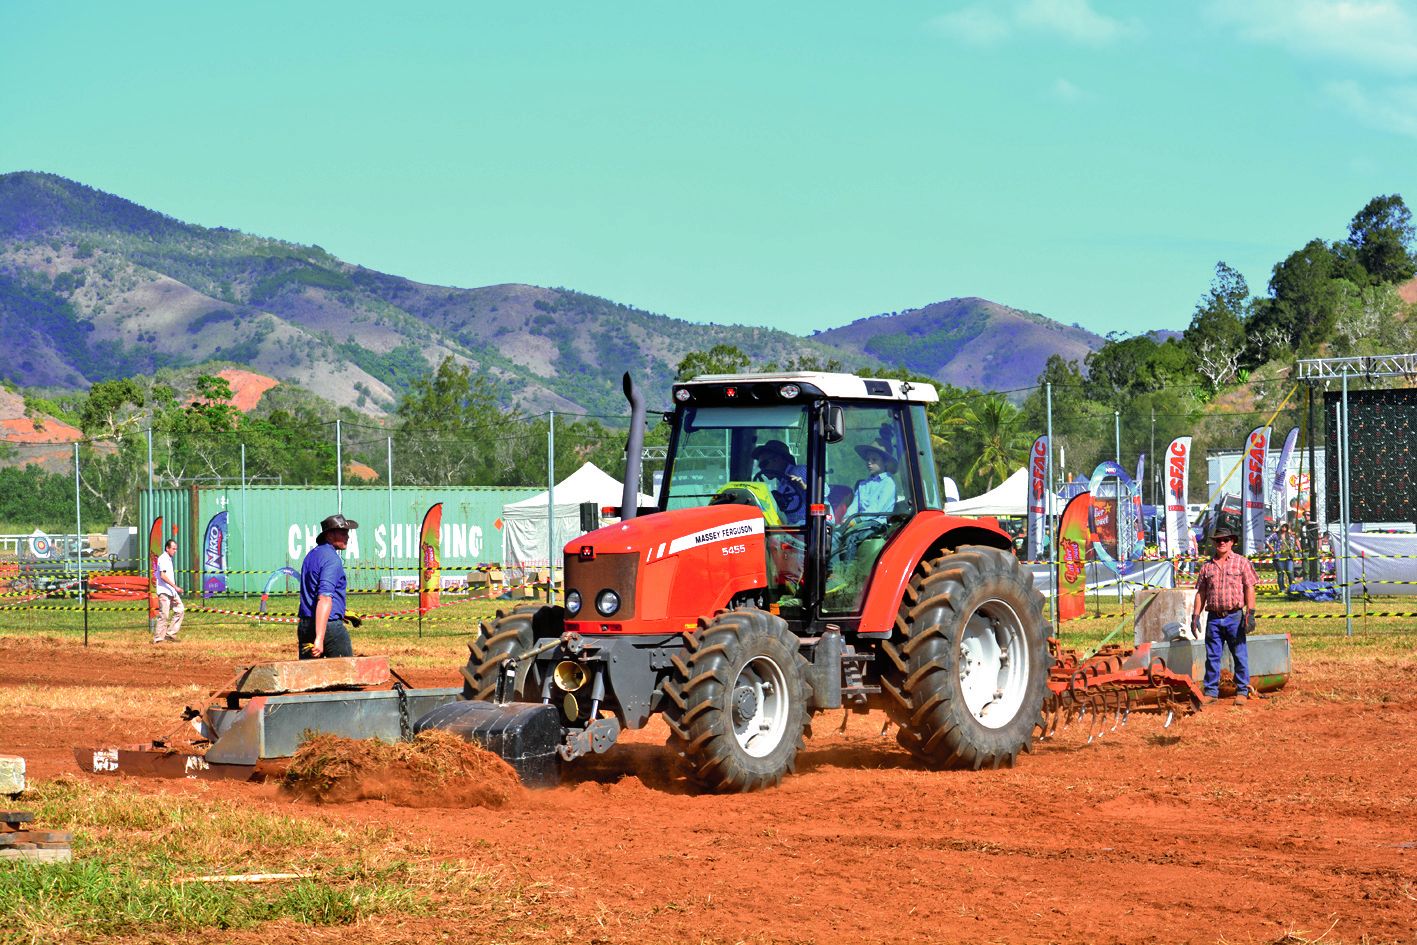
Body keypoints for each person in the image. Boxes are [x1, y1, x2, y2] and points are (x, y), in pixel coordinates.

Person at [1191, 523, 1257, 703]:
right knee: (1212, 656)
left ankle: (1242, 691)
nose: (1222, 543)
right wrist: (1195, 616)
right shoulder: (1207, 567)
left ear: (1232, 542)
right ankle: (1211, 692)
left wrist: (1251, 613)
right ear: (1215, 543)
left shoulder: (1242, 562)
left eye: (1225, 540)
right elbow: (1201, 593)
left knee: (1239, 654)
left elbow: (1249, 588)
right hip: (1213, 618)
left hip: (1235, 616)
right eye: (1218, 540)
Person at [298, 513, 358, 659]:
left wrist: (340, 610)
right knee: (345, 676)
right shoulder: (332, 559)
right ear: (329, 535)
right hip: (328, 628)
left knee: (309, 678)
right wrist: (319, 638)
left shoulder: (312, 555)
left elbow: (313, 591)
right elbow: (324, 597)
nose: (347, 537)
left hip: (305, 626)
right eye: (343, 533)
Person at [752, 439, 807, 525]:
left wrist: (804, 486)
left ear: (778, 459)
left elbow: (823, 491)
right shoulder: (781, 484)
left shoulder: (798, 471)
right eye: (760, 466)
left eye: (764, 464)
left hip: (806, 526)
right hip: (791, 528)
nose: (762, 469)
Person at [843, 438, 897, 520]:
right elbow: (854, 506)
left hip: (877, 527)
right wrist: (847, 518)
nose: (869, 462)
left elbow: (877, 510)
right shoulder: (863, 485)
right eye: (867, 459)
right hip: (861, 525)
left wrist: (857, 520)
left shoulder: (888, 483)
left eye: (874, 459)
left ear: (885, 462)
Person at [153, 538, 184, 644]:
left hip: (171, 591)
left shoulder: (169, 559)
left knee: (180, 610)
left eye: (176, 549)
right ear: (167, 548)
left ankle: (170, 634)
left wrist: (174, 589)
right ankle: (158, 639)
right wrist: (176, 587)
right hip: (164, 591)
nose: (175, 551)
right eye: (173, 549)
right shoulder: (163, 559)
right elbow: (162, 575)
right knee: (164, 615)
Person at [1271, 522, 1297, 593]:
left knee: (1290, 573)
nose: (1284, 527)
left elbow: (1293, 544)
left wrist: (1294, 552)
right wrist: (1272, 549)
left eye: (1286, 526)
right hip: (1278, 557)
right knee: (1281, 573)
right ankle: (1282, 589)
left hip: (1288, 557)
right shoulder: (1275, 535)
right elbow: (1266, 540)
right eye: (1283, 526)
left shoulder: (1290, 536)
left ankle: (1293, 588)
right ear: (1280, 527)